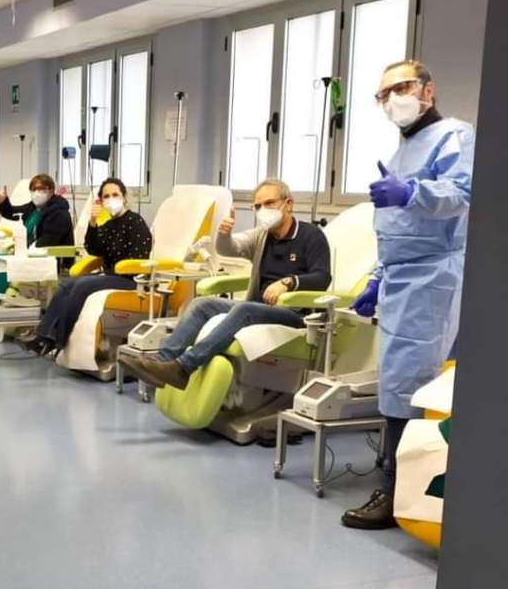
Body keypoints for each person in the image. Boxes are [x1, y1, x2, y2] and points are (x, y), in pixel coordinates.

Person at [341, 60, 473, 531]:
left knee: (408, 387)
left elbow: (462, 194)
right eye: (383, 94)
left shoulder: (455, 135)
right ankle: (405, 485)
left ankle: (396, 492)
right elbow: (394, 229)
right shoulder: (401, 153)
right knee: (401, 383)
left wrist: (411, 192)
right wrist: (377, 278)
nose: (392, 99)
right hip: (402, 277)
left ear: (427, 90)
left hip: (433, 277)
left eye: (401, 87)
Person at [123, 179, 332, 390]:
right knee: (201, 304)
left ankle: (183, 368)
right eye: (258, 206)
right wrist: (224, 235)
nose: (263, 210)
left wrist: (287, 283)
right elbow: (230, 248)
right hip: (260, 307)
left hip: (294, 314)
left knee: (244, 309)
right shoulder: (262, 235)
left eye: (269, 203)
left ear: (288, 204)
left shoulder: (311, 236)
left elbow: (322, 277)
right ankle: (162, 363)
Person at [26, 179, 152, 357]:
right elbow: (93, 248)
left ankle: (58, 339)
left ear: (124, 198)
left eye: (115, 195)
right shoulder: (108, 224)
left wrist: (115, 270)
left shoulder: (135, 221)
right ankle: (43, 336)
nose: (111, 199)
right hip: (109, 276)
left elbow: (140, 257)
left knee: (82, 285)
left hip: (130, 279)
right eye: (106, 196)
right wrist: (93, 222)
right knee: (67, 284)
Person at [0, 174, 74, 315]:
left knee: (6, 265)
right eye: (33, 189)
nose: (36, 193)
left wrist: (23, 251)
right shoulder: (34, 208)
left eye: (41, 189)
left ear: (51, 190)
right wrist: (3, 202)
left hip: (46, 257)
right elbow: (13, 212)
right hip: (27, 252)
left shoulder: (59, 213)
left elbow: (48, 240)